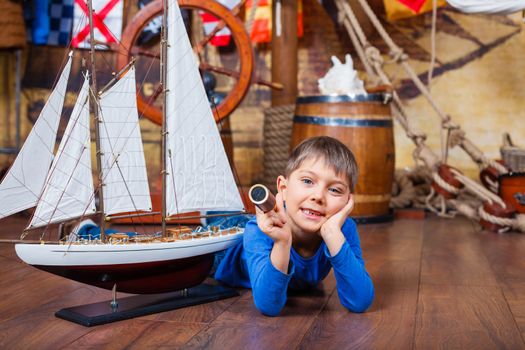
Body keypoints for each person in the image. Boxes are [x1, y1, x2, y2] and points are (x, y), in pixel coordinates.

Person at [214, 136, 374, 316]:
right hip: (227, 247)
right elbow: (268, 305)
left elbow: (360, 301)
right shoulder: (257, 231)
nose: (318, 196)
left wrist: (331, 234)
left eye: (335, 190)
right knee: (212, 221)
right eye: (307, 181)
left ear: (347, 201)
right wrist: (282, 243)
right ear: (283, 187)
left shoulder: (341, 230)